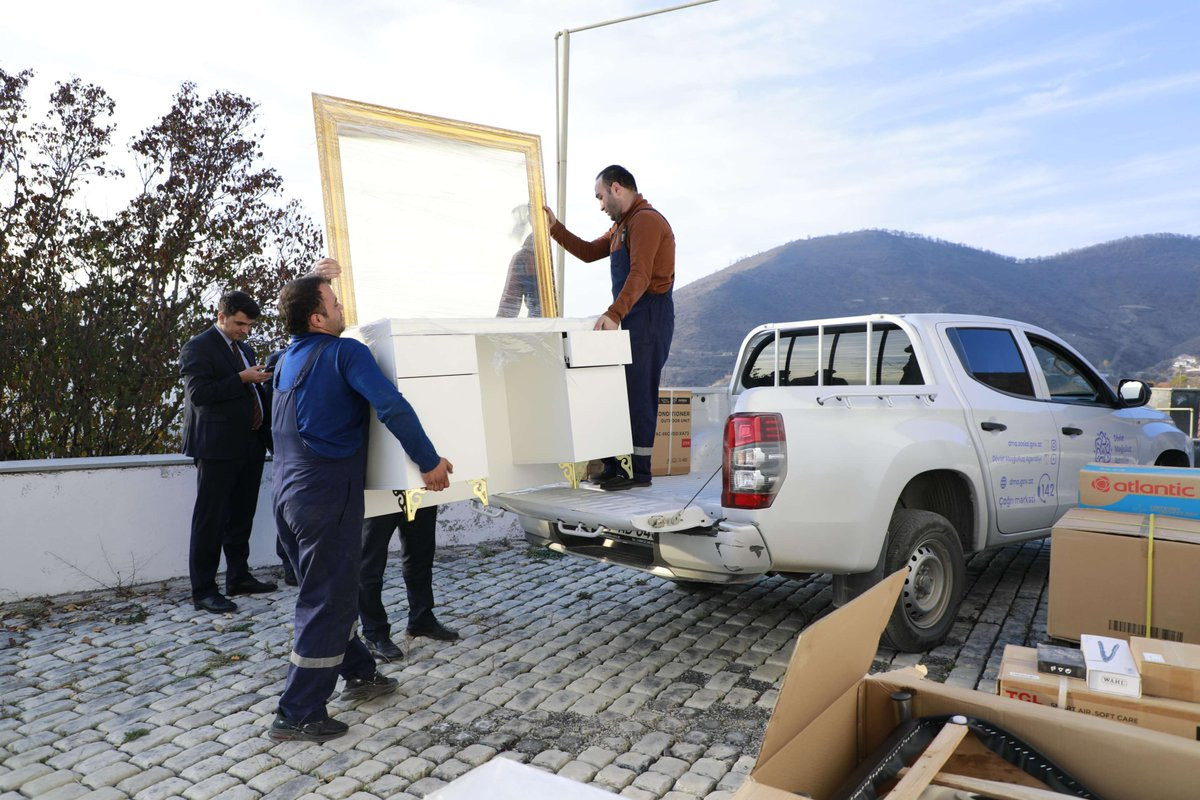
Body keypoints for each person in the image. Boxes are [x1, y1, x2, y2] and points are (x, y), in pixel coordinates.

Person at [268, 261, 452, 742]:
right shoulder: (345, 352)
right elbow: (390, 405)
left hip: (285, 495)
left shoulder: (284, 360)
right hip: (324, 495)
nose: (342, 306)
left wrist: (314, 279)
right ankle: (297, 712)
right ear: (317, 318)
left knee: (330, 591)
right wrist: (429, 461)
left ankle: (360, 672)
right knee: (326, 600)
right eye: (333, 302)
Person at [543, 165, 675, 489]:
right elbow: (589, 252)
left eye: (600, 197)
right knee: (619, 390)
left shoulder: (646, 221)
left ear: (617, 188)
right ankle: (616, 466)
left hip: (650, 315)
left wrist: (614, 313)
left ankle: (638, 472)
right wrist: (554, 228)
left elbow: (641, 275)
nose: (600, 205)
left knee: (638, 393)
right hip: (630, 313)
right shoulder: (621, 227)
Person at [180, 291, 278, 614]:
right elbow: (199, 394)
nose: (245, 331)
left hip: (250, 443)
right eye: (239, 324)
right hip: (216, 447)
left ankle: (238, 576)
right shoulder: (197, 347)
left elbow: (249, 391)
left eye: (249, 325)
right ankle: (203, 590)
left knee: (241, 515)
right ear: (221, 316)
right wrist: (241, 378)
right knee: (210, 519)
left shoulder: (245, 348)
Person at [359, 506, 459, 663]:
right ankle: (374, 634)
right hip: (379, 494)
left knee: (421, 554)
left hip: (418, 493)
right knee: (370, 564)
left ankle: (421, 619)